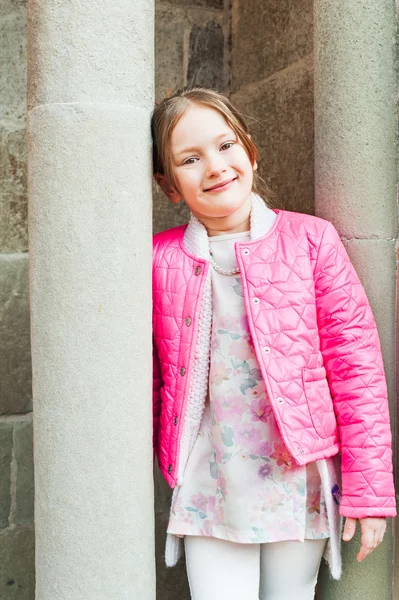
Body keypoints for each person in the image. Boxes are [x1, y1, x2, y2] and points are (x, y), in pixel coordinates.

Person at [151, 85, 396, 600]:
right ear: (169, 185)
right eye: (189, 159)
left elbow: (357, 368)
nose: (214, 166)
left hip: (296, 477)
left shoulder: (310, 241)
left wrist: (370, 493)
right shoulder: (158, 261)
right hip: (209, 481)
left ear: (250, 151)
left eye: (225, 146)